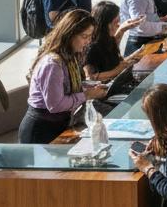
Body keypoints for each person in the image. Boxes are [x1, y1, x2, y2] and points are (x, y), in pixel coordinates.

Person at [20, 10, 107, 143]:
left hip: (58, 124)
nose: (88, 41)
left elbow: (66, 87)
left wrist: (88, 88)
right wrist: (87, 95)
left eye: (90, 36)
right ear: (70, 34)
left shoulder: (69, 56)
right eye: (84, 36)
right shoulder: (52, 64)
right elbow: (55, 105)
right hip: (41, 130)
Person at [83, 1, 145, 82]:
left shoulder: (107, 39)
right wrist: (117, 70)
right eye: (116, 22)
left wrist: (133, 57)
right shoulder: (91, 47)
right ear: (105, 25)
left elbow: (115, 60)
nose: (118, 25)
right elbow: (90, 77)